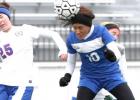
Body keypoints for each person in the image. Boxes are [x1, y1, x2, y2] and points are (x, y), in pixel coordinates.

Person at [59, 6, 135, 100]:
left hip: (111, 76)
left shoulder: (101, 31)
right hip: (89, 79)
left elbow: (116, 51)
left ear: (89, 25)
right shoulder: (71, 39)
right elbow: (71, 62)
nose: (77, 31)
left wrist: (112, 56)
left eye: (80, 27)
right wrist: (67, 76)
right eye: (75, 28)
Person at [0, 2, 67, 100]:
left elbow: (53, 34)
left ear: (7, 16)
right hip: (3, 81)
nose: (0, 21)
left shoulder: (25, 29)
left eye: (1, 17)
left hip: (23, 81)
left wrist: (63, 50)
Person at [95, 22, 128, 99]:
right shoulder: (91, 47)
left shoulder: (120, 48)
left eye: (117, 35)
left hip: (112, 86)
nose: (115, 37)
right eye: (113, 33)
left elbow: (123, 70)